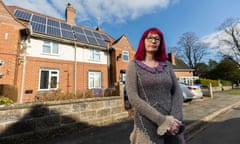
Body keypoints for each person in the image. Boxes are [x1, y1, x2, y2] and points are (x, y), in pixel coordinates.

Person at [126, 27, 185, 144]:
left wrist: (175, 119)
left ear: (160, 43)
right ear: (143, 41)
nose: (153, 41)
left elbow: (177, 92)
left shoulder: (167, 65)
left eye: (157, 39)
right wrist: (163, 121)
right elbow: (133, 97)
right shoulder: (133, 66)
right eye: (149, 38)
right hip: (147, 124)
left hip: (173, 125)